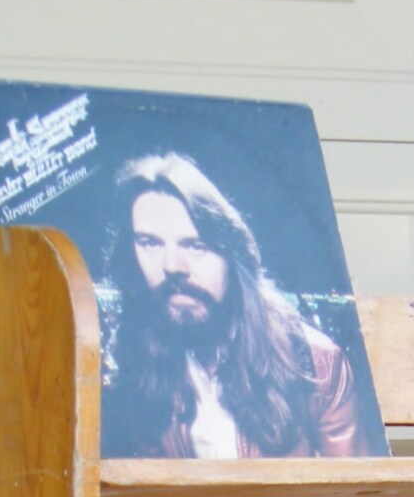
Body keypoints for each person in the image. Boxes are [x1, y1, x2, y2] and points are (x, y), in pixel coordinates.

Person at [100, 152, 373, 459]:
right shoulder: (129, 364)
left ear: (233, 253)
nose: (171, 266)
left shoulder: (318, 362)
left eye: (195, 245)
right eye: (150, 243)